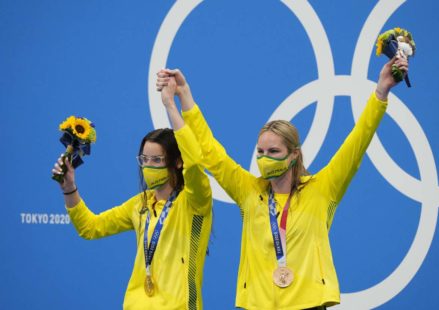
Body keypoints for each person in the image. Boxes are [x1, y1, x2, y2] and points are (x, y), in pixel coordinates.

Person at [156, 55, 408, 309]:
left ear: (294, 153)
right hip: (257, 304)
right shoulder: (248, 190)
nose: (265, 159)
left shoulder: (322, 188)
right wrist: (184, 96)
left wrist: (381, 91)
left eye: (273, 152)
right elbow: (210, 152)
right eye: (261, 152)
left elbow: (358, 140)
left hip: (308, 304)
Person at [52, 77, 212, 310]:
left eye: (156, 160)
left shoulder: (196, 200)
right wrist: (69, 188)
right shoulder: (140, 204)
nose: (148, 166)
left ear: (177, 162)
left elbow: (196, 162)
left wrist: (170, 105)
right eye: (144, 159)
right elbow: (90, 227)